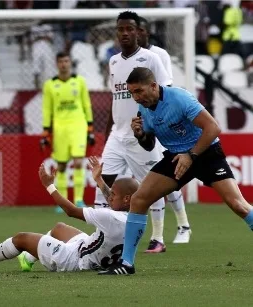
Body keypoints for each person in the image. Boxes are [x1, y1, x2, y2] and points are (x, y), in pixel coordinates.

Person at [100, 67, 253, 275]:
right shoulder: (143, 109)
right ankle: (126, 264)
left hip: (206, 152)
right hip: (175, 157)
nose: (136, 97)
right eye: (132, 93)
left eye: (139, 91)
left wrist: (191, 155)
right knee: (139, 199)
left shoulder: (179, 98)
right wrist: (140, 135)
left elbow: (213, 128)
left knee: (239, 205)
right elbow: (148, 144)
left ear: (154, 86)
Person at [0, 157, 138, 273]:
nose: (109, 196)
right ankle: (28, 259)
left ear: (127, 199)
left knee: (21, 239)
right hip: (90, 251)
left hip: (74, 260)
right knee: (59, 228)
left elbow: (71, 211)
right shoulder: (135, 219)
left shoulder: (109, 217)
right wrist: (99, 180)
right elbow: (117, 204)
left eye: (114, 194)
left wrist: (49, 186)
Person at [95, 11, 178, 254]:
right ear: (116, 33)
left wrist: (154, 125)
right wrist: (108, 130)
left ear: (137, 31)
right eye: (121, 29)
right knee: (102, 182)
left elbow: (165, 93)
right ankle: (100, 235)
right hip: (117, 136)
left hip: (142, 136)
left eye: (130, 29)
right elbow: (115, 98)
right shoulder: (113, 62)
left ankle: (158, 238)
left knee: (152, 186)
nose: (125, 33)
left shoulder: (151, 59)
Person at [135, 16, 192, 249]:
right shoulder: (121, 59)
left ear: (147, 32)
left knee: (166, 179)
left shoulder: (159, 55)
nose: (136, 34)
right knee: (150, 181)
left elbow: (165, 87)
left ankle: (180, 226)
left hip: (160, 121)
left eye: (139, 29)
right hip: (139, 122)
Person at [41, 52, 94, 213]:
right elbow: (47, 109)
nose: (64, 64)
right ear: (57, 64)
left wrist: (90, 129)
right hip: (60, 128)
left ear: (70, 63)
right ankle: (62, 202)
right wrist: (45, 132)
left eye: (66, 61)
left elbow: (87, 104)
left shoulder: (79, 82)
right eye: (61, 62)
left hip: (78, 125)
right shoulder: (50, 85)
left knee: (78, 162)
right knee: (62, 165)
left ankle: (78, 199)